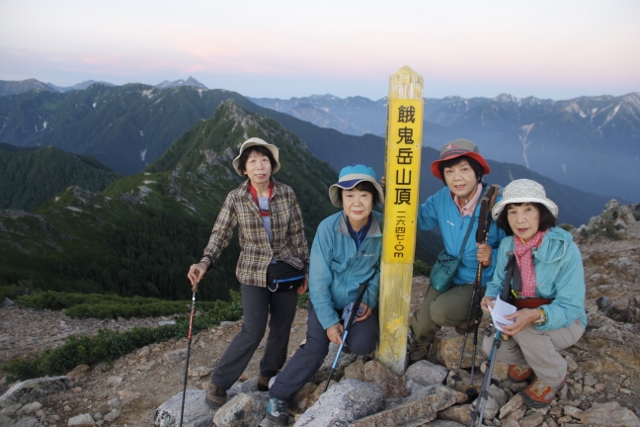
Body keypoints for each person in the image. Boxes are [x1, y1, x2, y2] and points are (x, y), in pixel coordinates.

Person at [187, 137, 310, 408]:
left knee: (282, 325)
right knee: (253, 329)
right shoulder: (236, 198)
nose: (260, 166)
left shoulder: (287, 193)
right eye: (253, 161)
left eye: (264, 160)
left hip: (286, 268)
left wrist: (305, 269)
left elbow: (298, 233)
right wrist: (205, 262)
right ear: (244, 169)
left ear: (272, 166)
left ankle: (268, 374)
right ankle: (219, 381)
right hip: (252, 270)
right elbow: (220, 234)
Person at [265, 164, 384, 426]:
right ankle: (278, 394)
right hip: (325, 301)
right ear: (341, 198)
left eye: (364, 195)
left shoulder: (383, 229)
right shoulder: (328, 229)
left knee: (363, 345)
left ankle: (347, 336)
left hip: (358, 302)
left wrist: (368, 300)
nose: (356, 202)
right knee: (316, 348)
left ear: (374, 198)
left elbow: (381, 271)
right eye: (349, 195)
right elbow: (318, 282)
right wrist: (330, 321)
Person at [480, 179, 586, 408]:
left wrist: (535, 314)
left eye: (528, 209)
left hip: (567, 322)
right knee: (490, 346)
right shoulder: (508, 246)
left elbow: (571, 306)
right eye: (513, 211)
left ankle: (553, 376)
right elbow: (497, 284)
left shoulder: (565, 250)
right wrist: (489, 299)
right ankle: (532, 359)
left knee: (526, 330)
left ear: (541, 213)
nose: (520, 219)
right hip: (520, 315)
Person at [407, 139, 506, 362]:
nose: (457, 178)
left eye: (464, 169)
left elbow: (515, 248)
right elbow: (419, 219)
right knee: (423, 322)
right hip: (450, 271)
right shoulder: (443, 198)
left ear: (478, 172)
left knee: (440, 312)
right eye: (449, 171)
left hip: (480, 278)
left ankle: (472, 315)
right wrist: (394, 195)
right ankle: (420, 342)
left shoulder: (496, 205)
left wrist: (492, 257)